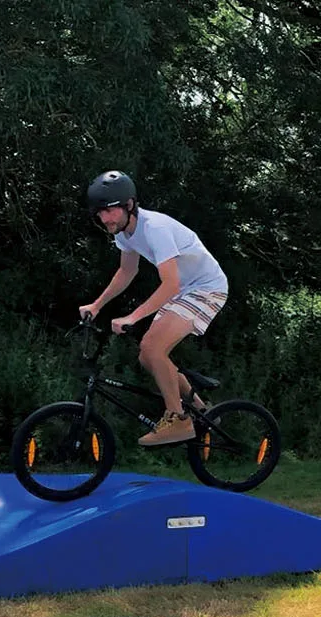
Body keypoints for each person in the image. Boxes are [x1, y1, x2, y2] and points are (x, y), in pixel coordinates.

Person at [79, 170, 230, 446]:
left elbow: (170, 284)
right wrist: (97, 305)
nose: (105, 218)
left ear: (129, 205)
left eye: (110, 211)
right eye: (100, 213)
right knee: (148, 357)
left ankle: (177, 418)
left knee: (153, 347)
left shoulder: (154, 228)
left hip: (206, 288)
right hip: (185, 289)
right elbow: (126, 272)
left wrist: (133, 317)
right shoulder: (125, 234)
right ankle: (201, 411)